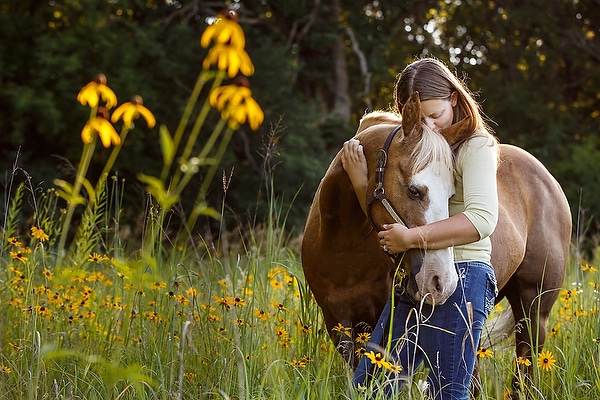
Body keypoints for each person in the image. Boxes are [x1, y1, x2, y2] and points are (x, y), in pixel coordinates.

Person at [341, 57, 499, 399]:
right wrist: (360, 184)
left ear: (454, 99)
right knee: (370, 388)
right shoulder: (423, 147)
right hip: (415, 272)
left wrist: (411, 238)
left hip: (464, 271)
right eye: (419, 118)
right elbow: (395, 215)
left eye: (435, 115)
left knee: (446, 393)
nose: (429, 125)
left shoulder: (476, 147)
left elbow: (483, 219)